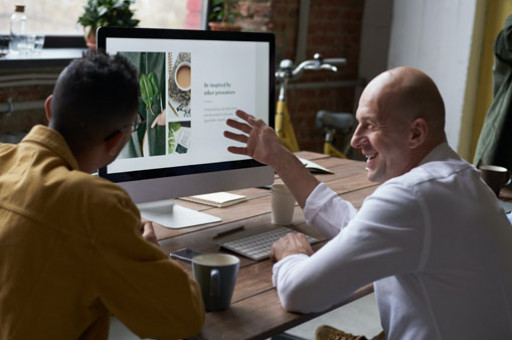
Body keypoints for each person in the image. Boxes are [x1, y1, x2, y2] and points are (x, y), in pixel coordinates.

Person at [224, 66, 512, 339]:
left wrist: (292, 256)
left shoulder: (411, 196)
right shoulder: (463, 179)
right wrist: (279, 156)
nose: (354, 139)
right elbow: (361, 229)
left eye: (370, 125)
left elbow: (300, 293)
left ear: (416, 133)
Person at [0, 52, 204, 340]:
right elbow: (184, 318)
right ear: (117, 141)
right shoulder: (95, 205)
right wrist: (151, 252)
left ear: (49, 107)